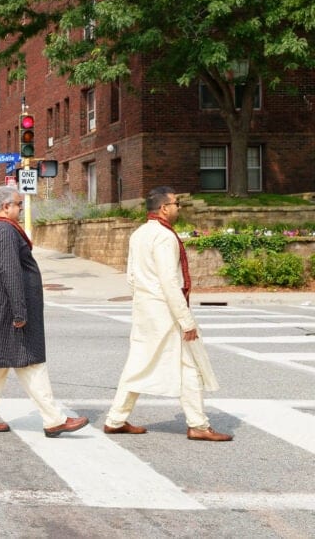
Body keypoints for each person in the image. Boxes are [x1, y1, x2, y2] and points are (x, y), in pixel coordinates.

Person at [103, 187, 232, 441]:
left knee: (140, 364)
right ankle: (198, 425)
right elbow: (170, 281)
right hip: (165, 311)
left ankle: (116, 419)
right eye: (176, 203)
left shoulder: (139, 234)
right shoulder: (164, 236)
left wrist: (144, 299)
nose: (178, 208)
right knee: (189, 365)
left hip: (145, 309)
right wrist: (185, 320)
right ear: (164, 208)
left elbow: (131, 276)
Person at [0, 185, 88, 437]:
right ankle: (54, 420)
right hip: (9, 309)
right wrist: (20, 311)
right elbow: (10, 271)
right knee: (30, 361)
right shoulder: (3, 230)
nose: (21, 208)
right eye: (18, 204)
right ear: (5, 207)